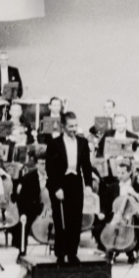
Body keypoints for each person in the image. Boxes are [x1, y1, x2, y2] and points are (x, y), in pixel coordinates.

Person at [45, 111, 94, 264]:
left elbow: (86, 166)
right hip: (60, 184)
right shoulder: (54, 143)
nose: (74, 129)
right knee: (61, 221)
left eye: (76, 126)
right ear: (63, 126)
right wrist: (56, 188)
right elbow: (49, 169)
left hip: (75, 183)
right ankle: (60, 253)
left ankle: (72, 253)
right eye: (70, 126)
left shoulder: (83, 142)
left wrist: (88, 186)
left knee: (75, 220)